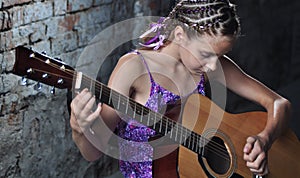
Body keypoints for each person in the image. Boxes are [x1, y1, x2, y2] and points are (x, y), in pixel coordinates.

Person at [70, 0, 291, 177]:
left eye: (220, 57)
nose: (214, 66)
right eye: (206, 55)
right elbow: (93, 153)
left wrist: (265, 139)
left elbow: (279, 103)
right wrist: (79, 128)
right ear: (179, 35)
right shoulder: (134, 68)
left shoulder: (210, 65)